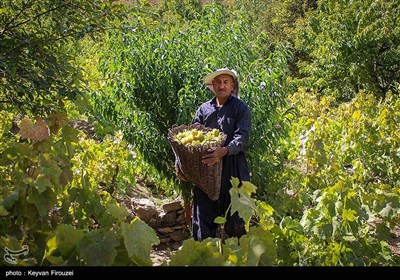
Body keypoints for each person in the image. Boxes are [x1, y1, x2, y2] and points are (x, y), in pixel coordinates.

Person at [176, 68, 251, 241]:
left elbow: (242, 138)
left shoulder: (240, 109)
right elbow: (191, 138)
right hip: (206, 170)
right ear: (213, 86)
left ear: (232, 86)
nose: (222, 85)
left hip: (233, 169)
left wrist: (223, 151)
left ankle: (236, 255)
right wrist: (182, 164)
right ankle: (205, 254)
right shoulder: (204, 109)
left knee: (235, 218)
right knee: (203, 219)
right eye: (218, 82)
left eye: (226, 82)